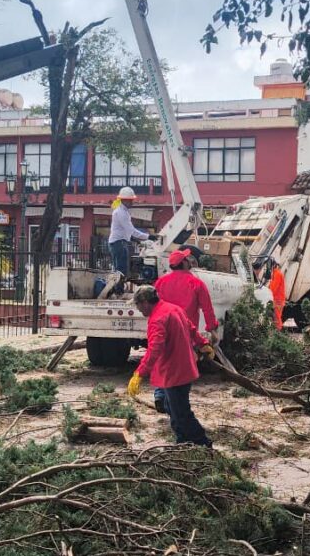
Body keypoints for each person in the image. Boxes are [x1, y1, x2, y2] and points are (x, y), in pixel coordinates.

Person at [126, 286, 215, 447]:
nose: (138, 309)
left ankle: (203, 443)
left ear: (145, 302)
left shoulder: (157, 319)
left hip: (174, 372)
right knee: (171, 407)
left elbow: (155, 348)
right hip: (184, 367)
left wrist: (139, 373)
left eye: (137, 305)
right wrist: (203, 344)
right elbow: (191, 328)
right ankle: (182, 442)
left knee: (181, 413)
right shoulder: (173, 309)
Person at [152, 248, 219, 413]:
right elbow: (207, 309)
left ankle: (160, 395)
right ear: (183, 263)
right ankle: (173, 402)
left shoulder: (160, 282)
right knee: (181, 368)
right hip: (185, 331)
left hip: (163, 328)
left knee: (163, 360)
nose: (190, 261)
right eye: (187, 259)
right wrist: (212, 330)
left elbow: (153, 306)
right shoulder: (196, 283)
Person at [108, 186, 157, 277]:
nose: (132, 202)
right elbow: (132, 231)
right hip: (119, 243)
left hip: (118, 242)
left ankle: (118, 285)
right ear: (124, 200)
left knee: (119, 270)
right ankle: (119, 286)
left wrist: (135, 240)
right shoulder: (121, 213)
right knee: (121, 271)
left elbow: (124, 231)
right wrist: (149, 236)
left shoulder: (122, 211)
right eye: (130, 200)